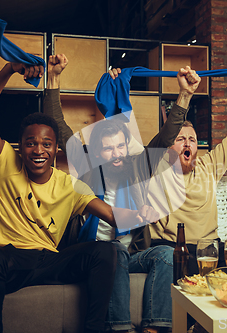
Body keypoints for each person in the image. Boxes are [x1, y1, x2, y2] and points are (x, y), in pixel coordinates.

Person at [0, 61, 155, 333]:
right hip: (9, 258)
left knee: (103, 250)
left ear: (56, 150)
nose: (38, 150)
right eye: (30, 143)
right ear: (20, 147)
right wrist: (9, 70)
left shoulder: (69, 185)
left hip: (48, 259)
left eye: (46, 144)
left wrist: (141, 214)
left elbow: (112, 215)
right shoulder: (6, 162)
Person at [44, 54, 201, 333]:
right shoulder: (87, 169)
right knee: (113, 249)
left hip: (130, 254)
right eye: (108, 149)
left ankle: (156, 328)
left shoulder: (138, 168)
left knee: (166, 253)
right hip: (92, 254)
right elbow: (58, 126)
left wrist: (184, 96)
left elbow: (165, 138)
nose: (116, 154)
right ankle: (120, 329)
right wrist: (53, 79)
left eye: (120, 147)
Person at [148, 71, 227, 275]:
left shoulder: (208, 166)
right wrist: (185, 95)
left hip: (209, 248)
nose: (187, 143)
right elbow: (163, 138)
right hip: (171, 248)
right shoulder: (155, 168)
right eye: (180, 139)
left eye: (192, 140)